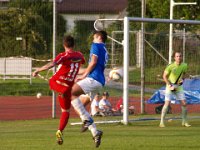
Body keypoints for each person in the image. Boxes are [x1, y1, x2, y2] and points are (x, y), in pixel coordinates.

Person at [32, 35, 85, 145]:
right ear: (73, 44)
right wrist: (85, 74)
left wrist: (38, 70)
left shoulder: (63, 55)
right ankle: (59, 131)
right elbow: (78, 67)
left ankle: (58, 89)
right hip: (67, 88)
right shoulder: (80, 55)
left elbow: (51, 64)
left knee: (51, 80)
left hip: (57, 83)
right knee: (65, 112)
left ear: (64, 45)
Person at [70, 30, 108, 148]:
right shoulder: (104, 48)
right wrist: (77, 71)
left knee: (70, 92)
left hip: (93, 79)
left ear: (98, 37)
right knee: (81, 107)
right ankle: (95, 132)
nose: (92, 39)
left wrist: (83, 75)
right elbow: (93, 66)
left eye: (94, 37)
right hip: (99, 82)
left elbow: (93, 62)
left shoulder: (95, 45)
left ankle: (87, 122)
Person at [159, 51, 191, 128]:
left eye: (180, 56)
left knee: (184, 104)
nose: (179, 58)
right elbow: (164, 76)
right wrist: (170, 85)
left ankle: (184, 121)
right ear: (174, 58)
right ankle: (161, 122)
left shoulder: (184, 65)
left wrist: (182, 81)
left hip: (179, 88)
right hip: (169, 88)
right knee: (167, 104)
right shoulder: (170, 66)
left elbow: (183, 74)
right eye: (177, 56)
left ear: (181, 57)